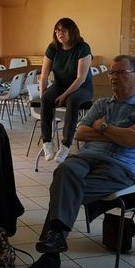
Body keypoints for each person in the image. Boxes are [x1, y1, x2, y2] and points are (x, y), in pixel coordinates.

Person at [26, 55, 135, 268]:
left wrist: (103, 127)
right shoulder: (101, 104)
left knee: (63, 190)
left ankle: (51, 254)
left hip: (118, 167)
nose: (114, 77)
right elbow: (80, 132)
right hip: (86, 158)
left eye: (121, 73)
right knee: (64, 171)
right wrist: (121, 134)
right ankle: (55, 242)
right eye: (112, 73)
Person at [40, 17, 94, 164]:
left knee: (72, 100)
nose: (59, 33)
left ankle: (65, 145)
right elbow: (44, 74)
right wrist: (42, 94)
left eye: (63, 30)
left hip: (82, 87)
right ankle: (47, 142)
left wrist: (64, 96)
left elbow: (81, 78)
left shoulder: (83, 48)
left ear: (72, 32)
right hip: (59, 85)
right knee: (46, 98)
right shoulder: (53, 48)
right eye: (57, 31)